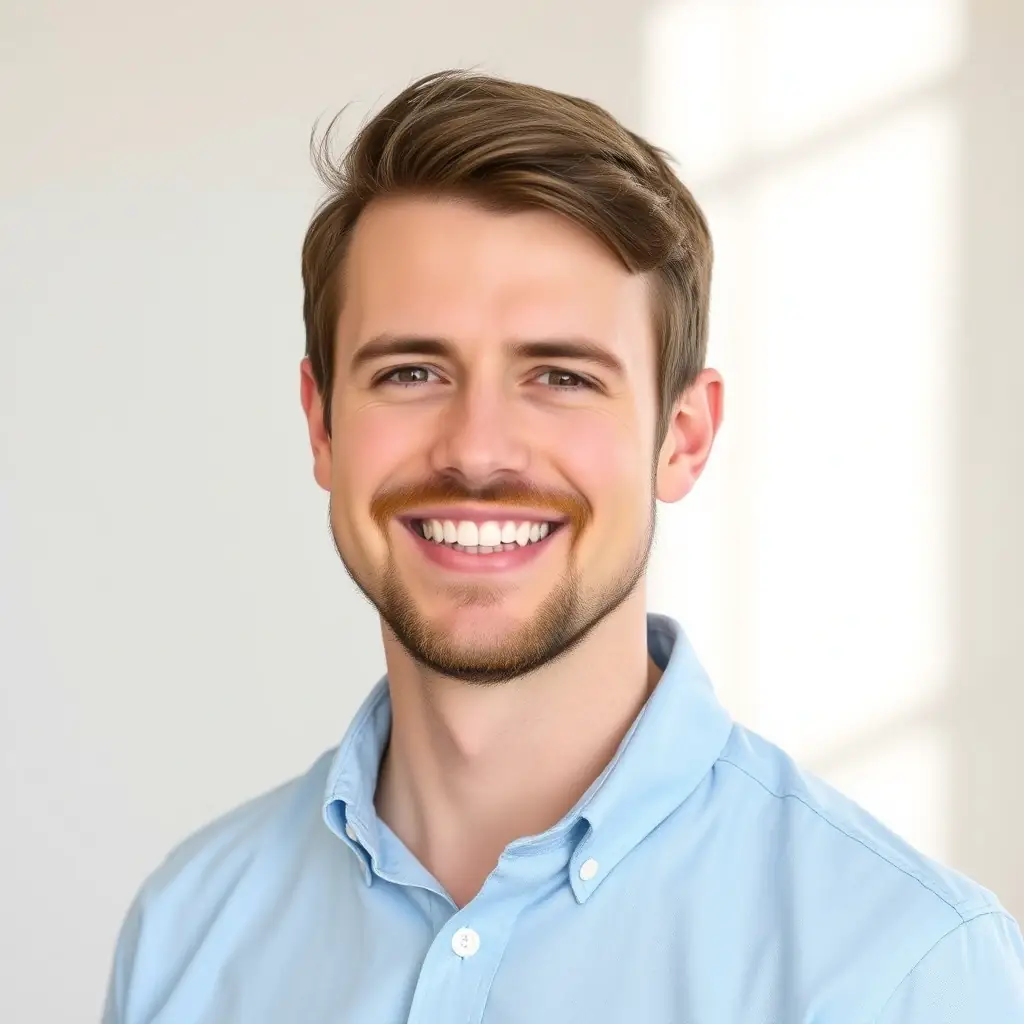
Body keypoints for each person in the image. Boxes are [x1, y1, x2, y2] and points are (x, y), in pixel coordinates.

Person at [102, 69, 1024, 1023]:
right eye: (412, 371)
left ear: (683, 436)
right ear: (321, 425)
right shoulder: (185, 933)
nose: (477, 451)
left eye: (561, 376)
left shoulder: (903, 968)